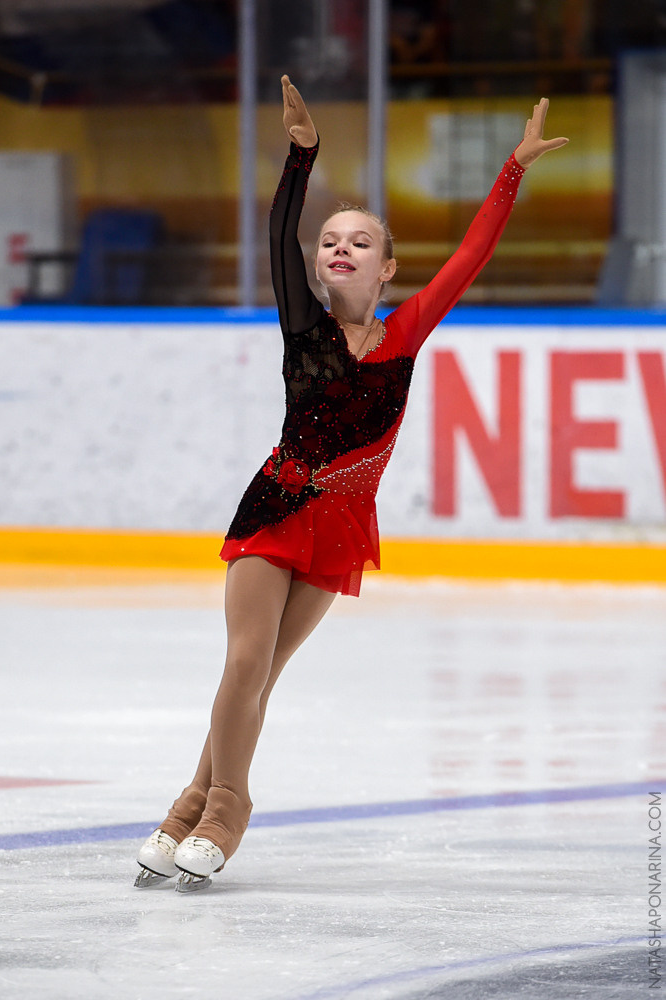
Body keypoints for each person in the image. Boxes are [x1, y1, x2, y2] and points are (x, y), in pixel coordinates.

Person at [134, 76, 568, 892]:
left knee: (263, 676)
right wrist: (304, 158)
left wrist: (511, 170)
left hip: (341, 524)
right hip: (278, 505)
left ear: (388, 267)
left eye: (358, 242)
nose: (338, 248)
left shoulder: (406, 336)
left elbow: (471, 255)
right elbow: (276, 232)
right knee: (243, 662)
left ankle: (190, 800)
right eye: (330, 238)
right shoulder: (303, 323)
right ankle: (227, 807)